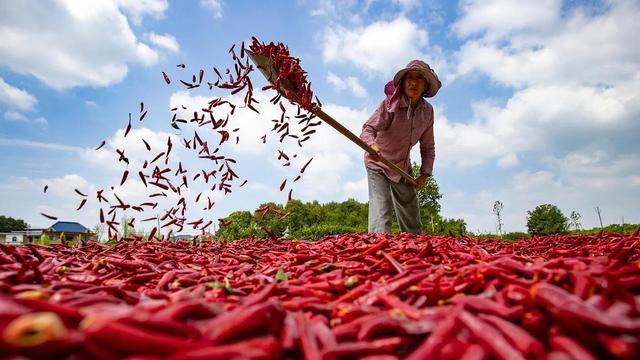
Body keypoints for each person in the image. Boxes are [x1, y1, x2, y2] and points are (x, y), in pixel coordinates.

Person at [359, 59, 441, 234]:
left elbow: (427, 146)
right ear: (403, 82)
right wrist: (371, 145)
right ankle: (377, 250)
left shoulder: (427, 112)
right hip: (378, 163)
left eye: (419, 78)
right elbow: (368, 128)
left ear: (426, 85)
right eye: (409, 77)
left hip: (402, 166)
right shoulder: (390, 104)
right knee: (381, 210)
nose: (413, 82)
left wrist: (425, 174)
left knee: (411, 216)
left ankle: (417, 252)